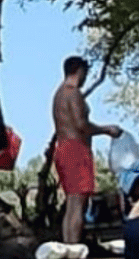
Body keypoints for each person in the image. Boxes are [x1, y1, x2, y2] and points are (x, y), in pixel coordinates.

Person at [51, 55, 123, 246]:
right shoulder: (72, 93)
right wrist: (106, 130)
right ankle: (74, 248)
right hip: (75, 149)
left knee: (72, 202)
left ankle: (69, 246)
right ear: (79, 71)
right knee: (78, 203)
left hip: (64, 148)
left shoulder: (59, 94)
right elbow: (81, 125)